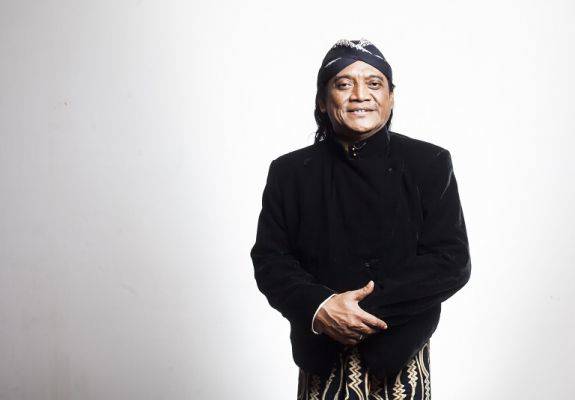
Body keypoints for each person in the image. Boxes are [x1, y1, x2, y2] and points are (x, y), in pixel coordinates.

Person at [250, 38, 471, 400]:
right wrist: (322, 307)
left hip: (400, 357)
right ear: (322, 100)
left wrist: (361, 312)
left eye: (374, 83)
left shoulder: (428, 163)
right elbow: (270, 261)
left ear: (391, 97)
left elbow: (451, 261)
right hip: (321, 359)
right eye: (343, 83)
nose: (359, 95)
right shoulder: (290, 172)